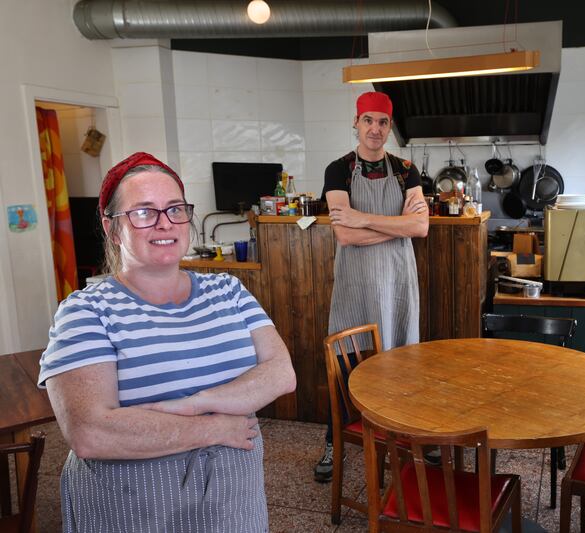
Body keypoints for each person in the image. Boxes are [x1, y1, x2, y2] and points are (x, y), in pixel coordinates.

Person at [38, 152, 296, 532]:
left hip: (233, 500)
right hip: (132, 506)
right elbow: (90, 432)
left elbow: (281, 374)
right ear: (112, 229)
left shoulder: (228, 290)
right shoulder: (85, 311)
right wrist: (212, 428)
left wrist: (195, 404)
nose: (165, 223)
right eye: (144, 212)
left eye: (175, 208)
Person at [314, 92, 429, 481]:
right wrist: (396, 227)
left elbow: (420, 227)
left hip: (398, 282)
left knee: (402, 365)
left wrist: (362, 217)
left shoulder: (406, 170)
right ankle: (335, 442)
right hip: (355, 283)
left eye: (382, 122)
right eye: (368, 120)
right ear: (356, 123)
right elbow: (344, 237)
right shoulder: (338, 170)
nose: (375, 129)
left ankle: (403, 439)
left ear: (389, 126)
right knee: (347, 366)